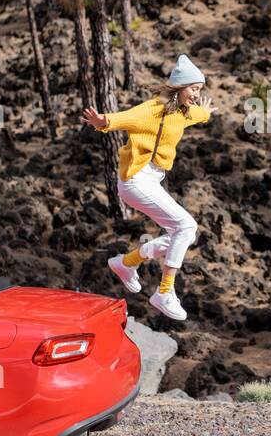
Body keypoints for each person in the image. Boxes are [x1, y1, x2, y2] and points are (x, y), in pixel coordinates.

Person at [81, 55, 213, 321]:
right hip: (135, 180)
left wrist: (206, 113)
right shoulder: (152, 110)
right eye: (194, 89)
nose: (197, 95)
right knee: (185, 227)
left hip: (152, 180)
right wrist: (102, 122)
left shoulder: (183, 112)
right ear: (180, 86)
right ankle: (164, 292)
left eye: (200, 89)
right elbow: (123, 118)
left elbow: (198, 115)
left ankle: (126, 263)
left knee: (184, 234)